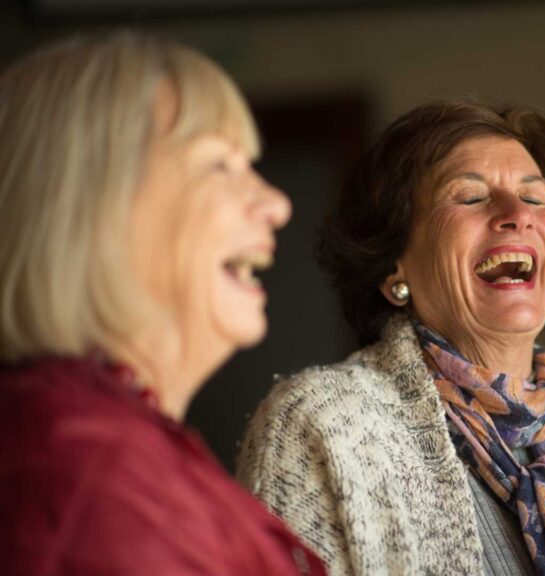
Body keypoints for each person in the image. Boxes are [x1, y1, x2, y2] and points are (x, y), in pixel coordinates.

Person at [238, 101, 545, 575]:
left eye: (536, 197)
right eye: (469, 197)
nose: (516, 215)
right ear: (393, 263)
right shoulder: (322, 426)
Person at [0, 31, 326, 575]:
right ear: (89, 207)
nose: (276, 204)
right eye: (219, 164)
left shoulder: (112, 447)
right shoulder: (86, 470)